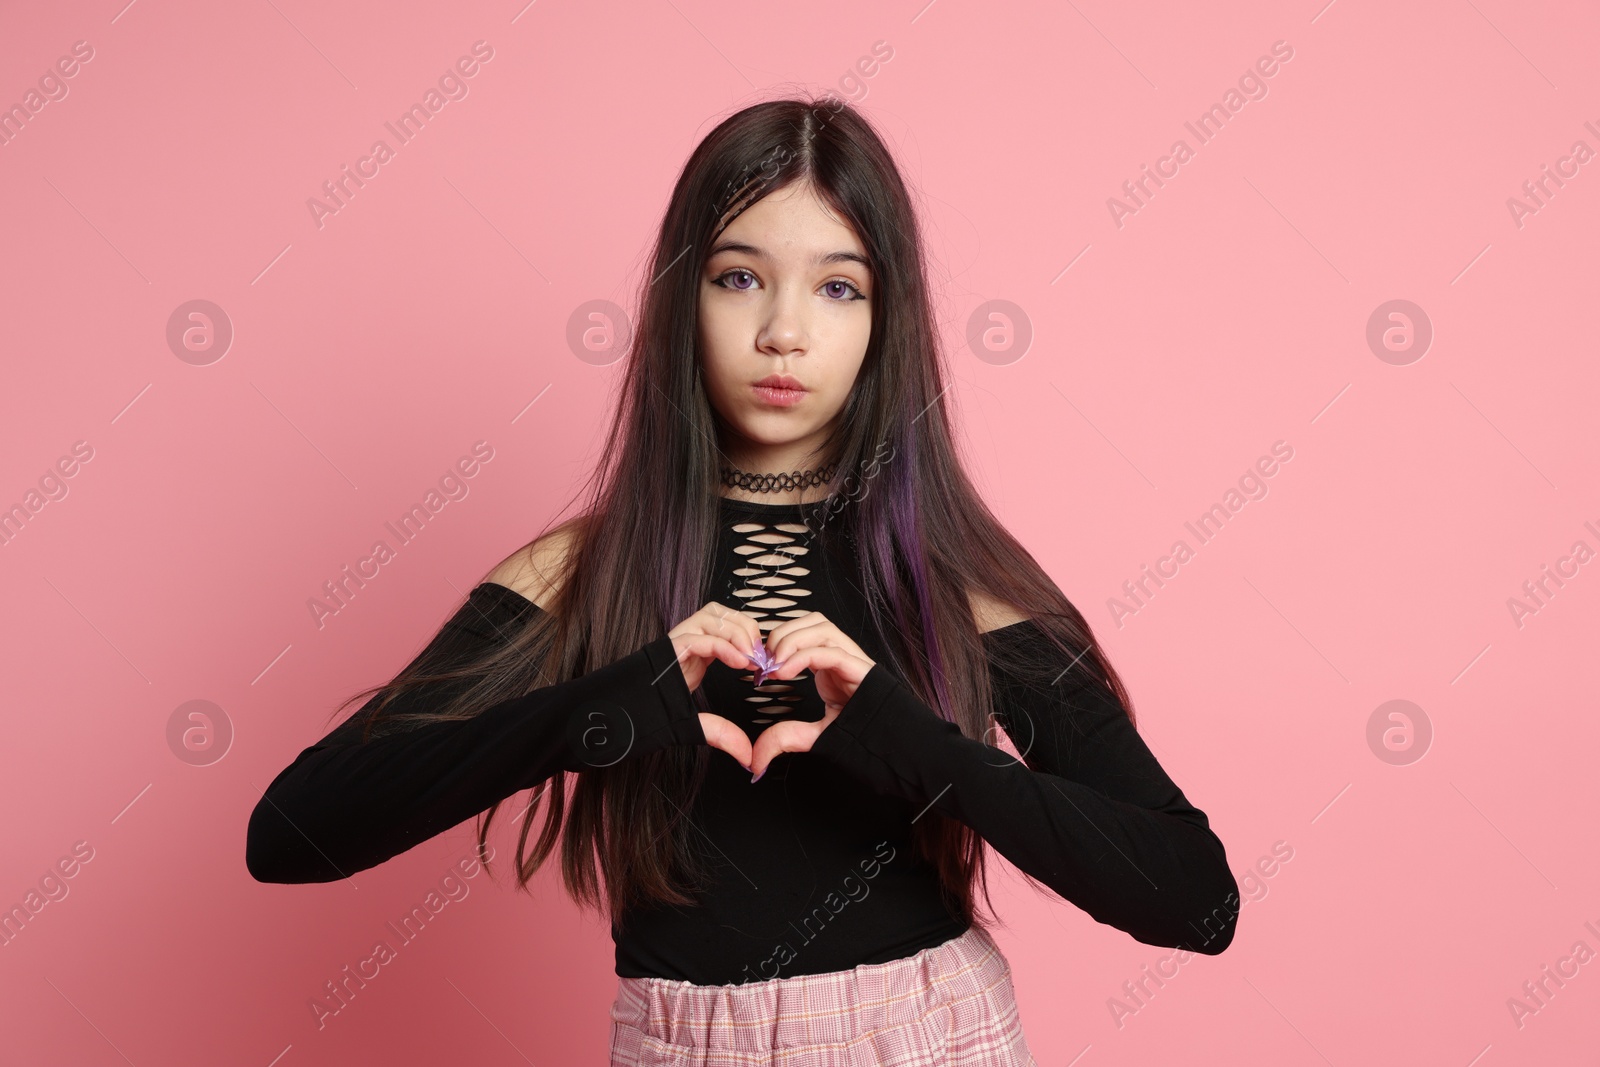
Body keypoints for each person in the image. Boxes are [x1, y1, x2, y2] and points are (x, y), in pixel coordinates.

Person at [246, 95, 1239, 1066]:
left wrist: (916, 745)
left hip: (927, 1036)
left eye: (837, 287)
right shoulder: (578, 573)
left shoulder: (955, 581)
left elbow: (1195, 899)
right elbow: (293, 831)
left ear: (886, 322)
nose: (783, 333)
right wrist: (602, 710)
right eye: (738, 278)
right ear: (684, 296)